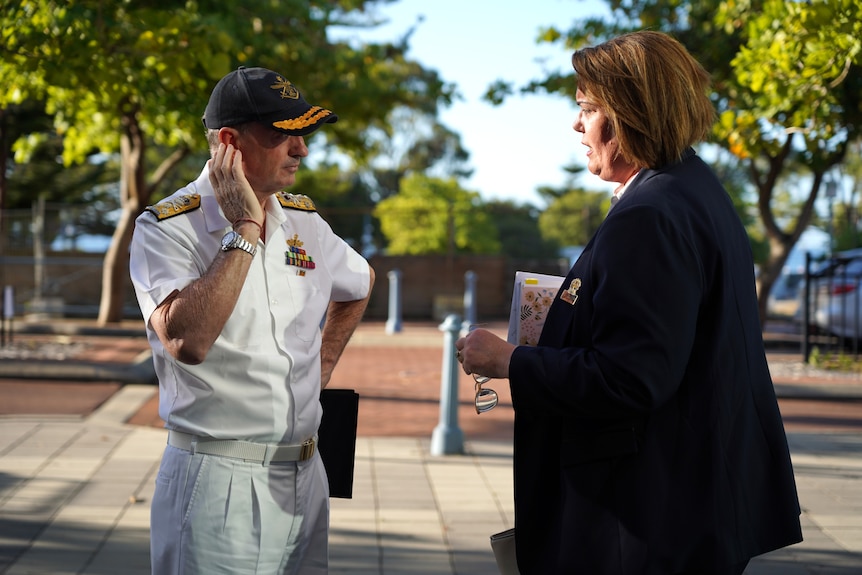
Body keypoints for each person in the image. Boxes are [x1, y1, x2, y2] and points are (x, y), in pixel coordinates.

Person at [455, 31, 802, 574]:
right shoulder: (693, 190)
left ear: (628, 113)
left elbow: (631, 377)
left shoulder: (649, 214)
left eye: (587, 108)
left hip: (644, 522)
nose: (577, 125)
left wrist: (508, 361)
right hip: (686, 507)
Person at [129, 66, 375, 575]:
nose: (301, 149)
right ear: (229, 143)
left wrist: (323, 367)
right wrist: (243, 227)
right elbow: (187, 340)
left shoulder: (302, 219)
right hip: (219, 480)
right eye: (283, 135)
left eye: (303, 134)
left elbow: (361, 283)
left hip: (307, 474)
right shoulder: (168, 227)